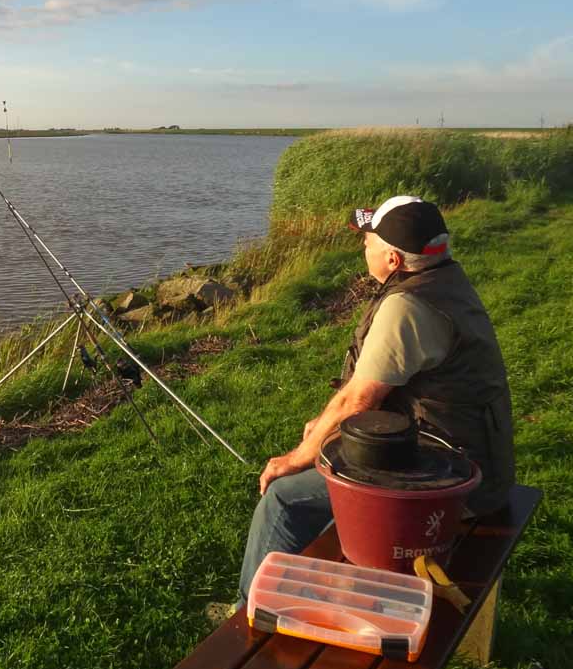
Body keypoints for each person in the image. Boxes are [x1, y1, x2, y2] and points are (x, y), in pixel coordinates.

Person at [212, 195, 515, 621]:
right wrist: (324, 430)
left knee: (284, 497)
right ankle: (305, 580)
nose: (363, 248)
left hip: (450, 482)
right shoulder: (445, 280)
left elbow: (358, 399)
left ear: (392, 259)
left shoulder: (408, 307)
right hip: (472, 458)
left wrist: (295, 458)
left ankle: (248, 613)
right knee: (327, 451)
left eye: (368, 242)